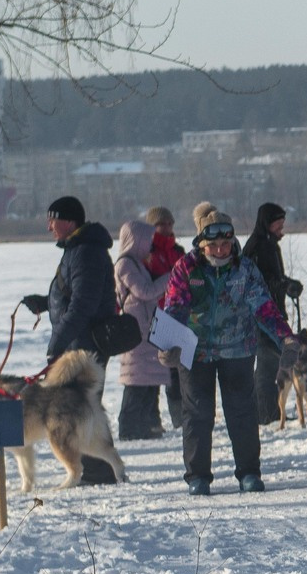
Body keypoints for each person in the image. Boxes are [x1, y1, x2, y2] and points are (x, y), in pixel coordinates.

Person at [158, 215, 292, 494]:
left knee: (242, 411)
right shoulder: (186, 268)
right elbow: (175, 306)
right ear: (202, 244)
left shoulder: (245, 269)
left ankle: (249, 472)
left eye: (226, 244)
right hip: (194, 351)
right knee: (197, 413)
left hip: (238, 348)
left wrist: (285, 337)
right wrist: (169, 344)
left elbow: (264, 307)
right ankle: (198, 477)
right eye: (214, 245)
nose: (221, 250)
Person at [22, 196, 121, 484]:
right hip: (79, 341)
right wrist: (45, 303)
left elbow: (83, 305)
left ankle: (96, 473)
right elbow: (74, 297)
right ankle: (95, 471)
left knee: (79, 408)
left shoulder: (86, 252)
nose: (49, 225)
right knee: (81, 407)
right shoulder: (78, 249)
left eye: (53, 219)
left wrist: (57, 344)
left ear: (69, 221)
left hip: (84, 346)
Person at [243, 203, 302, 425]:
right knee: (267, 365)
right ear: (268, 222)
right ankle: (265, 412)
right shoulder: (257, 247)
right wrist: (285, 285)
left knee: (273, 363)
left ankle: (272, 410)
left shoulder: (269, 244)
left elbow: (273, 280)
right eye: (279, 222)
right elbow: (262, 283)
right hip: (260, 317)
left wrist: (286, 285)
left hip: (273, 313)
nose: (282, 227)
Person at [111, 219, 169, 440]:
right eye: (148, 240)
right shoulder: (125, 264)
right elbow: (144, 291)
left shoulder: (137, 263)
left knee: (148, 380)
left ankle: (146, 426)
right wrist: (169, 278)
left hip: (146, 329)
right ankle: (129, 428)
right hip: (137, 331)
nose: (150, 245)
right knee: (136, 380)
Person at [142, 206, 188, 427]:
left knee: (177, 373)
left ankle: (180, 419)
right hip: (155, 317)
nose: (167, 228)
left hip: (178, 318)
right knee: (154, 373)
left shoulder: (178, 251)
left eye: (170, 224)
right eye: (162, 224)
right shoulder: (146, 252)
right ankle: (152, 418)